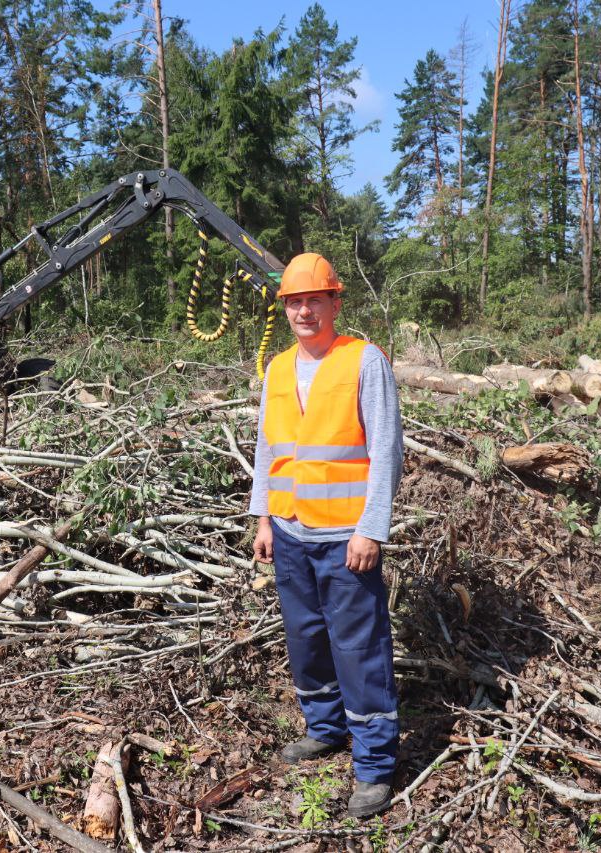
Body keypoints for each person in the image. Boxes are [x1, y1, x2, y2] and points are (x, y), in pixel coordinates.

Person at [249, 252, 403, 819]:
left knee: (359, 650)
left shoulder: (363, 361)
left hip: (346, 540)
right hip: (289, 533)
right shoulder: (278, 368)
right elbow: (269, 449)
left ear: (336, 302)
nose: (304, 310)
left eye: (315, 299)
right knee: (307, 640)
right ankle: (324, 729)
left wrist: (372, 527)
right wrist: (263, 518)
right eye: (294, 302)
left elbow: (386, 449)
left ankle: (374, 766)